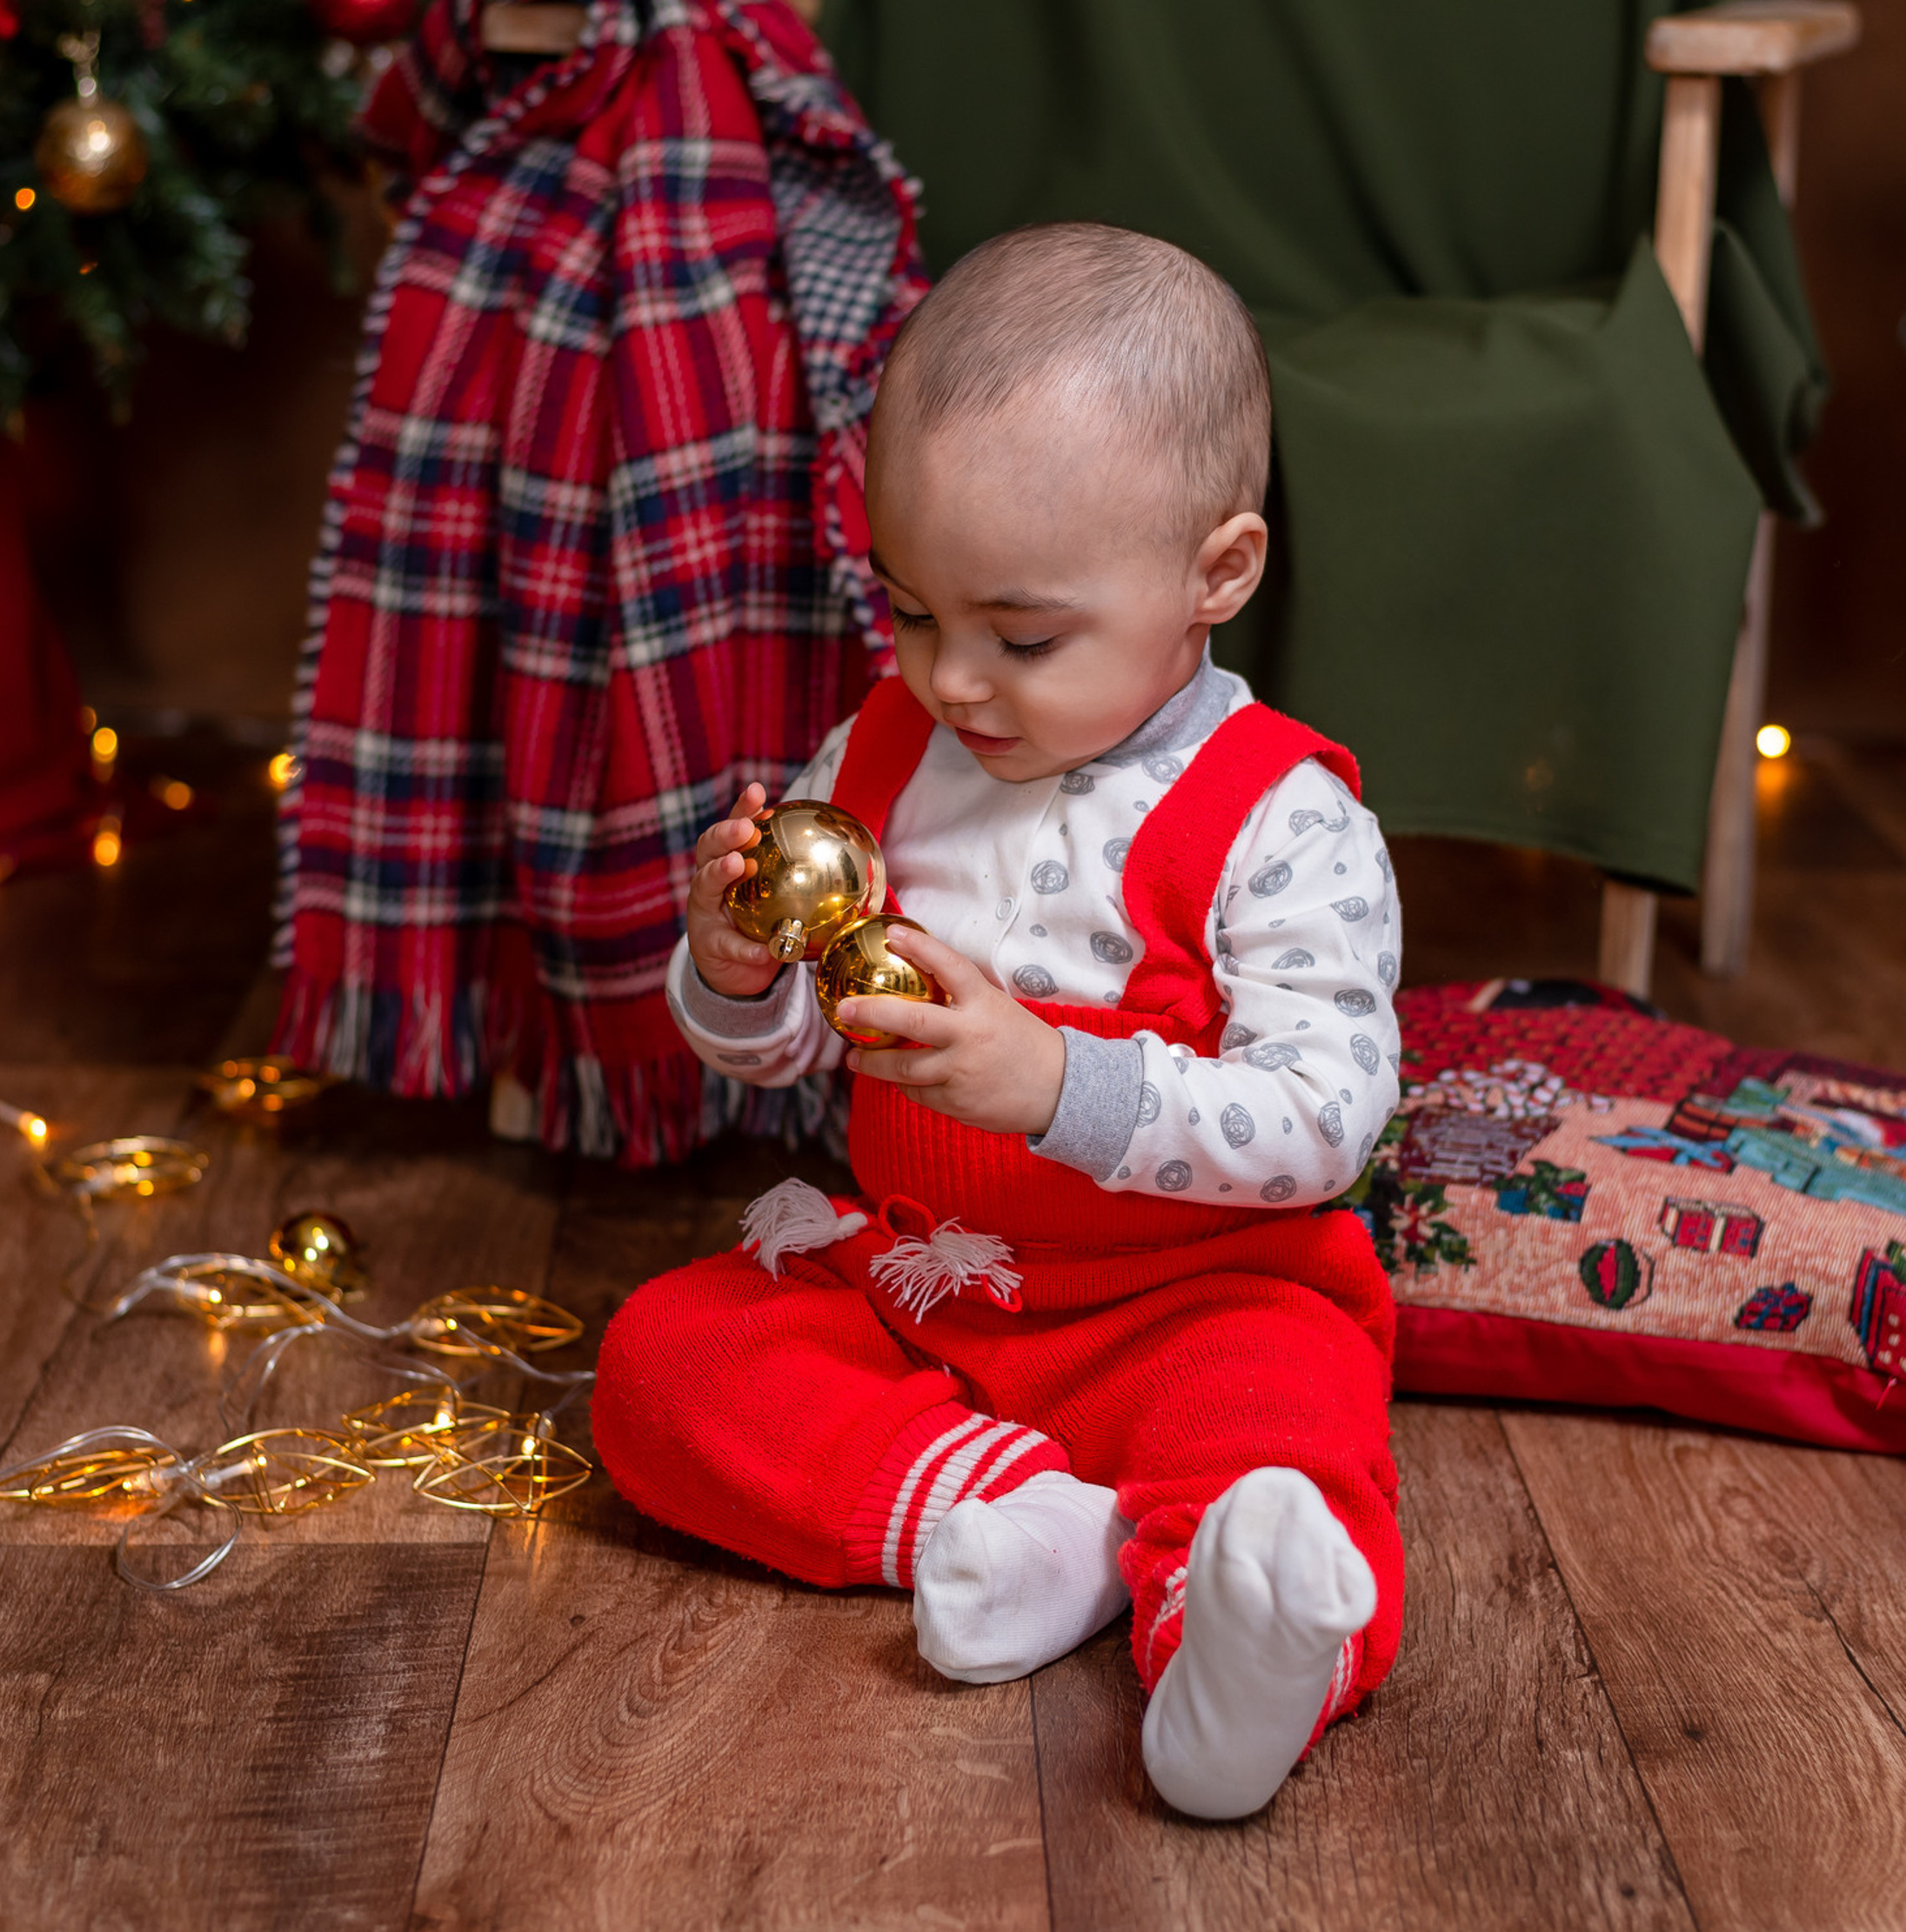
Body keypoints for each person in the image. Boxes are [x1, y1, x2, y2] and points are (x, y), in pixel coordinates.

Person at [592, 223, 1404, 1821]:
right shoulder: (885, 759)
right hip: (929, 1293)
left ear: (1219, 573)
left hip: (1196, 1299)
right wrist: (738, 973)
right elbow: (793, 1051)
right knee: (663, 1366)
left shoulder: (1280, 816)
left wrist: (1055, 1086)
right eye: (912, 613)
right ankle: (1035, 1522)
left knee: (1285, 1437)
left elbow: (1328, 1123)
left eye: (1021, 638)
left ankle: (1232, 1661)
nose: (954, 682)